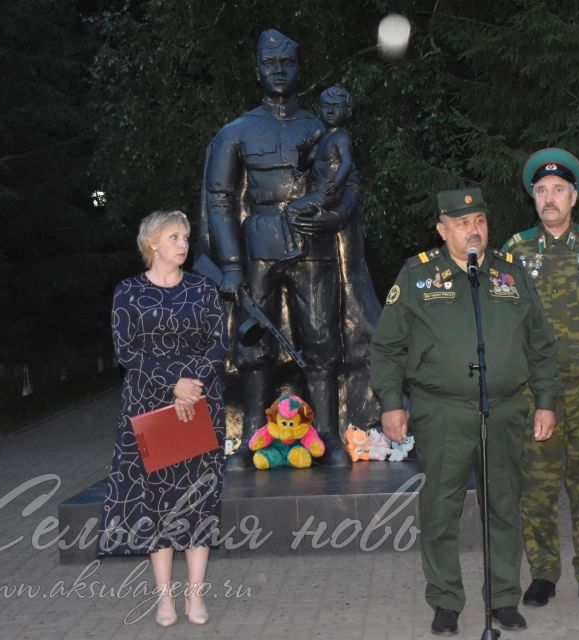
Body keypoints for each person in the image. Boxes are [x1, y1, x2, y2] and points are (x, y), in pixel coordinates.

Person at [370, 188, 560, 635]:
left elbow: (541, 345)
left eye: (479, 221)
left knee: (503, 505)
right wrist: (392, 404)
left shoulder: (510, 276)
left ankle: (504, 599)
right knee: (440, 507)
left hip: (506, 409)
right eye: (461, 223)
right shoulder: (418, 277)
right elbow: (387, 347)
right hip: (443, 411)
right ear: (442, 230)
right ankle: (446, 600)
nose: (473, 229)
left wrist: (546, 401)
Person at [202, 29, 371, 467]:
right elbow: (219, 198)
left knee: (322, 339)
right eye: (270, 64)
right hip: (257, 245)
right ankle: (255, 435)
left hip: (313, 244)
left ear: (299, 70)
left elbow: (350, 184)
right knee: (252, 343)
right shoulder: (235, 131)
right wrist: (232, 265)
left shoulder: (322, 128)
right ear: (257, 69)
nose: (279, 71)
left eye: (287, 64)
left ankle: (329, 435)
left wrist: (335, 217)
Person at [502, 148, 579, 609]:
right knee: (537, 487)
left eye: (558, 190)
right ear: (533, 199)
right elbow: (503, 323)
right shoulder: (514, 251)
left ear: (574, 198)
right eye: (541, 191)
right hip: (536, 394)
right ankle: (543, 574)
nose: (549, 198)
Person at [97, 210, 229, 627]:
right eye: (174, 237)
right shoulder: (128, 292)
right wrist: (174, 384)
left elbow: (218, 344)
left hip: (200, 404)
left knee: (198, 498)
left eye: (186, 237)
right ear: (152, 243)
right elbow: (126, 351)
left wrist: (192, 387)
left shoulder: (204, 289)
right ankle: (165, 600)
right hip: (149, 407)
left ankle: (196, 598)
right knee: (156, 503)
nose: (183, 244)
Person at [287, 86, 355, 220]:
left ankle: (296, 241)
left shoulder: (341, 138)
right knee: (294, 211)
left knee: (292, 210)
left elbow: (346, 163)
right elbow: (305, 165)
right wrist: (303, 152)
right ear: (319, 109)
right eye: (326, 105)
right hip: (316, 192)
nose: (330, 111)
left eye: (336, 106)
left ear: (348, 112)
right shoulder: (320, 136)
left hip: (328, 193)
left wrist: (335, 184)